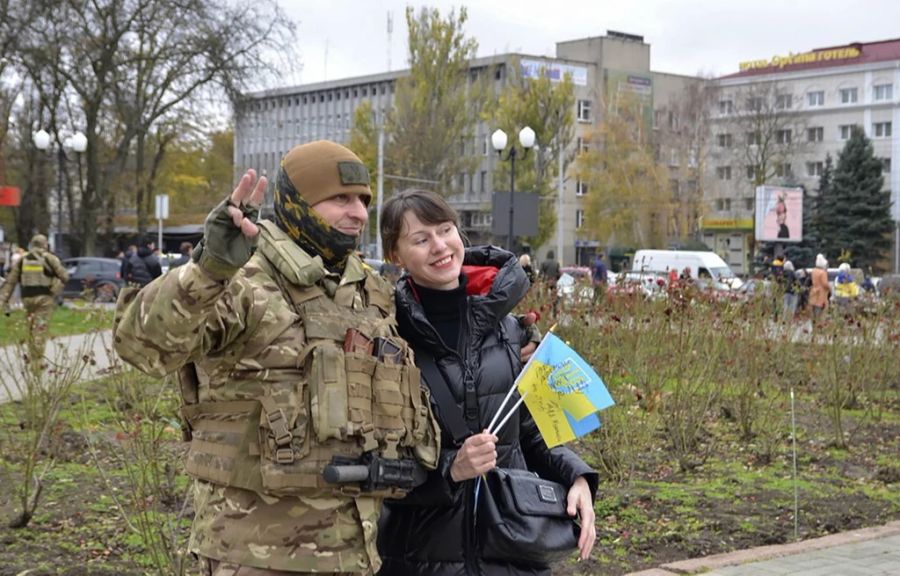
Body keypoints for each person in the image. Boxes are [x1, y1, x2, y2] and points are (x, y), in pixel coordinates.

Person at [114, 141, 441, 576]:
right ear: (297, 203)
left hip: (354, 552)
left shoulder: (368, 291)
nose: (359, 213)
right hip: (253, 553)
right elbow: (142, 344)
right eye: (339, 199)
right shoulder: (245, 281)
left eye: (363, 200)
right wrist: (208, 269)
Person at [376, 189, 598, 576]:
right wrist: (450, 469)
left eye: (446, 230)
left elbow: (531, 428)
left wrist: (575, 476)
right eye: (420, 238)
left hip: (511, 548)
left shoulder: (512, 331)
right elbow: (375, 462)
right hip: (420, 558)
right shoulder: (386, 339)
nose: (440, 246)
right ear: (395, 255)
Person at [0, 234, 69, 362]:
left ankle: (32, 353)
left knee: (31, 327)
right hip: (44, 298)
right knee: (40, 328)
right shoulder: (49, 258)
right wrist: (55, 289)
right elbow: (64, 276)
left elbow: (11, 281)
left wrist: (3, 300)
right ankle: (36, 359)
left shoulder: (23, 259)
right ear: (45, 244)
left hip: (27, 299)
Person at [809, 253, 830, 323]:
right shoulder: (823, 273)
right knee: (820, 313)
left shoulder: (814, 271)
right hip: (821, 295)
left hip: (814, 292)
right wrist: (830, 288)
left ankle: (814, 327)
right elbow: (825, 284)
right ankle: (819, 327)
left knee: (813, 313)